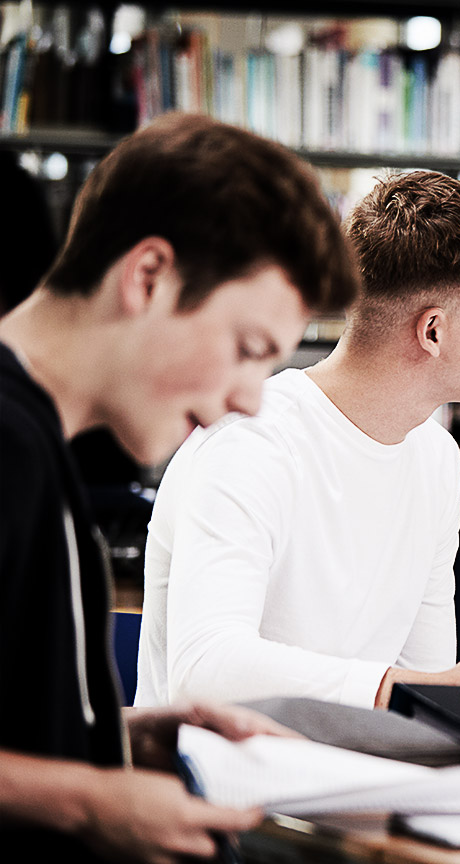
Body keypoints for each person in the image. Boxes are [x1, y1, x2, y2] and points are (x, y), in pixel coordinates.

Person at [0, 114, 355, 861]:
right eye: (247, 349)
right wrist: (88, 801)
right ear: (148, 277)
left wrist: (115, 740)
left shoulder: (42, 445)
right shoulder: (9, 443)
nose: (251, 398)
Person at [136, 170, 460, 710]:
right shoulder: (251, 443)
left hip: (351, 772)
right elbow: (205, 670)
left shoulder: (435, 458)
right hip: (217, 777)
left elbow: (423, 685)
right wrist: (410, 689)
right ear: (432, 331)